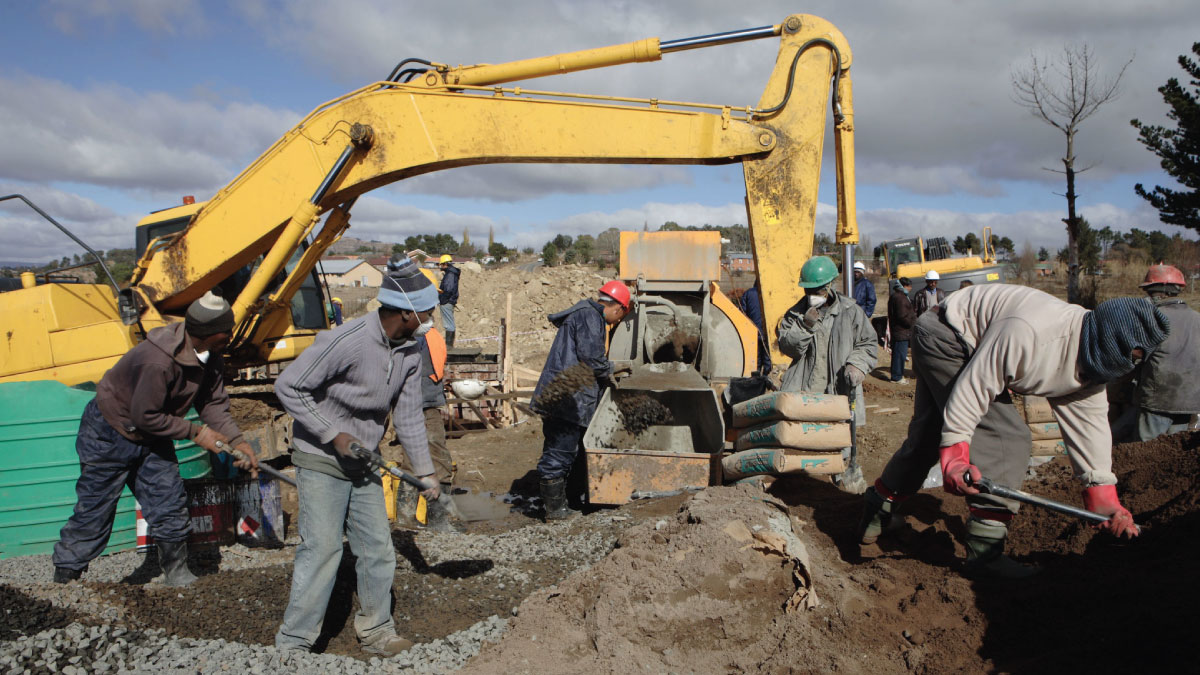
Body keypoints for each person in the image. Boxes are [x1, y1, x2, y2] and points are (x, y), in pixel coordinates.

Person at [859, 284, 1169, 579]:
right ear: (1104, 341)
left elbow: (1091, 428)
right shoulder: (1032, 333)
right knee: (1006, 437)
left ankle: (877, 511)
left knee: (929, 436)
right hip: (949, 336)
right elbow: (975, 388)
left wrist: (1102, 495)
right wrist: (955, 455)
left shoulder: (1092, 364)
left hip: (958, 331)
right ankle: (986, 551)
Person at [274, 258, 440, 655]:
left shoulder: (411, 351)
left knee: (377, 547)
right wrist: (332, 433)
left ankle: (377, 631)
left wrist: (427, 472)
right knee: (323, 547)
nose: (432, 319)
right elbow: (289, 385)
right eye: (428, 312)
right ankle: (294, 641)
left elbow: (409, 416)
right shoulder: (346, 340)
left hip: (365, 460)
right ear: (406, 312)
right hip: (320, 456)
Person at [52, 292, 259, 586]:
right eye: (227, 330)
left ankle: (176, 572)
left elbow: (212, 404)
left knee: (169, 503)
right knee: (95, 511)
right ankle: (65, 577)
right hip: (110, 432)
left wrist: (238, 442)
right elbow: (143, 415)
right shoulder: (157, 361)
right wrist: (196, 432)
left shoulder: (211, 357)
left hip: (153, 433)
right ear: (210, 333)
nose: (231, 334)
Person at [531, 280, 632, 520]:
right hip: (566, 398)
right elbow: (591, 360)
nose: (617, 321)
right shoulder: (590, 317)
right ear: (618, 307)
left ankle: (565, 504)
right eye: (620, 316)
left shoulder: (586, 315)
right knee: (559, 453)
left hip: (566, 395)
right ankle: (555, 511)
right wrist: (615, 367)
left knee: (569, 452)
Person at [777, 256, 878, 490]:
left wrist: (857, 364)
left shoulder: (851, 311)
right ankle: (805, 481)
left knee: (840, 434)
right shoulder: (795, 315)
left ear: (829, 287)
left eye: (818, 289)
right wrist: (805, 325)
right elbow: (787, 346)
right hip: (806, 387)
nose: (813, 294)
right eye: (809, 289)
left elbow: (868, 343)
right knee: (805, 435)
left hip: (839, 387)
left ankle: (844, 476)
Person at [387, 326, 462, 532]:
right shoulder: (415, 334)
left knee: (414, 459)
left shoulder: (424, 333)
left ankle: (406, 518)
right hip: (419, 403)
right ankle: (437, 519)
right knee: (438, 458)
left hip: (423, 400)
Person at [1117, 264, 1199, 441]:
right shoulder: (1197, 319)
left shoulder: (1153, 319)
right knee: (1172, 452)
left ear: (1156, 293)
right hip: (1190, 401)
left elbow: (1135, 354)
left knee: (1147, 452)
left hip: (1159, 399)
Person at [735, 282, 773, 375]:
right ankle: (768, 383)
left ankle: (755, 382)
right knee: (769, 362)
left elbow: (742, 314)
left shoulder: (748, 294)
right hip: (769, 334)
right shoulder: (771, 292)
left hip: (753, 334)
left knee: (755, 362)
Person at [887, 277, 917, 384]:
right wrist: (911, 323)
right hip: (901, 331)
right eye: (909, 286)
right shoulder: (901, 298)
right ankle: (897, 377)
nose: (910, 288)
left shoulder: (896, 296)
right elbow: (902, 316)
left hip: (898, 330)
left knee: (898, 354)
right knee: (899, 354)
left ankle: (896, 375)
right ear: (904, 286)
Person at [438, 254, 460, 347]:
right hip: (449, 300)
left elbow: (448, 289)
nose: (440, 266)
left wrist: (443, 299)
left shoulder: (450, 274)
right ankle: (449, 345)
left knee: (448, 324)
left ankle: (449, 346)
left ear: (445, 264)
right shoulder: (451, 273)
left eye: (441, 264)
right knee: (449, 323)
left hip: (447, 301)